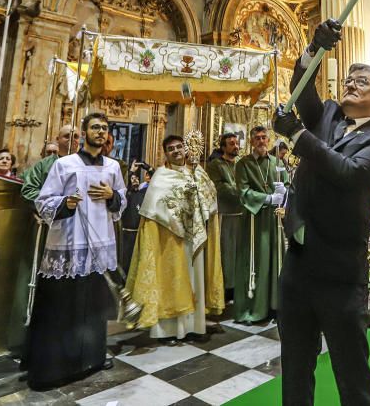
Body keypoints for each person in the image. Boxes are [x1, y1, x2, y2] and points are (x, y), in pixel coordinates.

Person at [273, 18, 370, 406]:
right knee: (295, 367)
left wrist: (297, 135)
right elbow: (303, 90)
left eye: (362, 81)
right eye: (348, 79)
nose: (350, 83)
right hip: (298, 265)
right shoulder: (326, 115)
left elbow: (350, 174)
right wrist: (315, 48)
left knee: (351, 374)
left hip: (341, 272)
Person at [25, 111, 125, 390]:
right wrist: (65, 203)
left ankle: (91, 358)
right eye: (95, 127)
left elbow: (123, 201)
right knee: (63, 308)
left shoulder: (113, 167)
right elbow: (44, 201)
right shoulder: (64, 164)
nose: (100, 132)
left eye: (104, 128)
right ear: (84, 133)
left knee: (93, 307)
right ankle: (56, 368)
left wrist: (112, 197)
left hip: (99, 243)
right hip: (69, 244)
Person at [126, 135, 224, 339]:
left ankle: (194, 326)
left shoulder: (197, 172)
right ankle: (169, 330)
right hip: (171, 238)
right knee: (173, 281)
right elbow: (155, 208)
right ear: (166, 153)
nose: (177, 151)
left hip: (195, 237)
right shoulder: (161, 176)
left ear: (186, 149)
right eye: (171, 148)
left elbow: (211, 197)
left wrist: (200, 190)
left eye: (180, 147)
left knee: (194, 280)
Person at [233, 126, 289, 323]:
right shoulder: (243, 164)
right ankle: (254, 308)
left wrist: (284, 192)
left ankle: (275, 306)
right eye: (256, 138)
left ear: (269, 139)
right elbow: (243, 192)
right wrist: (268, 199)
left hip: (275, 221)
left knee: (276, 262)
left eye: (264, 137)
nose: (261, 141)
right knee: (257, 262)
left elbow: (288, 186)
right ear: (251, 141)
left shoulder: (277, 162)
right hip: (254, 222)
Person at [205, 132, 242, 298]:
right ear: (223, 147)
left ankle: (237, 287)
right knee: (225, 254)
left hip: (241, 215)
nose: (235, 146)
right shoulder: (215, 165)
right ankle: (225, 289)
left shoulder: (241, 164)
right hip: (224, 215)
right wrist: (244, 192)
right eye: (231, 143)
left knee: (238, 254)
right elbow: (219, 187)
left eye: (236, 143)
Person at [20, 125, 78, 202]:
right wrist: (56, 201)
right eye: (67, 136)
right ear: (58, 139)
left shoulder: (85, 163)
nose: (72, 139)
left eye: (76, 136)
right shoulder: (42, 165)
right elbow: (29, 190)